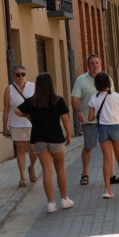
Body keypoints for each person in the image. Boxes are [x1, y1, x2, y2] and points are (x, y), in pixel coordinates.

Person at [15, 73, 74, 213]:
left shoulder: (32, 101)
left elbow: (17, 111)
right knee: (60, 168)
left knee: (47, 170)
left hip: (39, 139)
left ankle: (50, 203)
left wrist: (28, 115)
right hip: (56, 138)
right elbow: (65, 119)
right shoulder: (58, 100)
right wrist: (69, 135)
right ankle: (64, 199)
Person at [71, 54, 119, 186]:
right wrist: (78, 111)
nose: (95, 65)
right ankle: (85, 173)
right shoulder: (81, 80)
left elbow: (113, 97)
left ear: (100, 64)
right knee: (88, 147)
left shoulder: (107, 79)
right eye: (92, 63)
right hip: (89, 121)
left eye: (97, 62)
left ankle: (111, 175)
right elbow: (75, 98)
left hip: (106, 120)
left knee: (109, 148)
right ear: (88, 66)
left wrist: (116, 118)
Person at [88, 72, 119, 199]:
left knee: (107, 159)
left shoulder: (94, 98)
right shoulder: (116, 96)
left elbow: (90, 117)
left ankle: (107, 189)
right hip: (114, 127)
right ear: (108, 83)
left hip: (102, 129)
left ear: (96, 85)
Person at [1, 65, 37, 187]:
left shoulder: (33, 87)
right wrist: (4, 127)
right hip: (16, 123)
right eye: (18, 74)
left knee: (33, 150)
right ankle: (23, 178)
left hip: (31, 123)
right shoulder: (9, 89)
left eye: (23, 74)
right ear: (14, 76)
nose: (21, 76)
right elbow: (6, 109)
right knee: (21, 150)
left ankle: (32, 167)